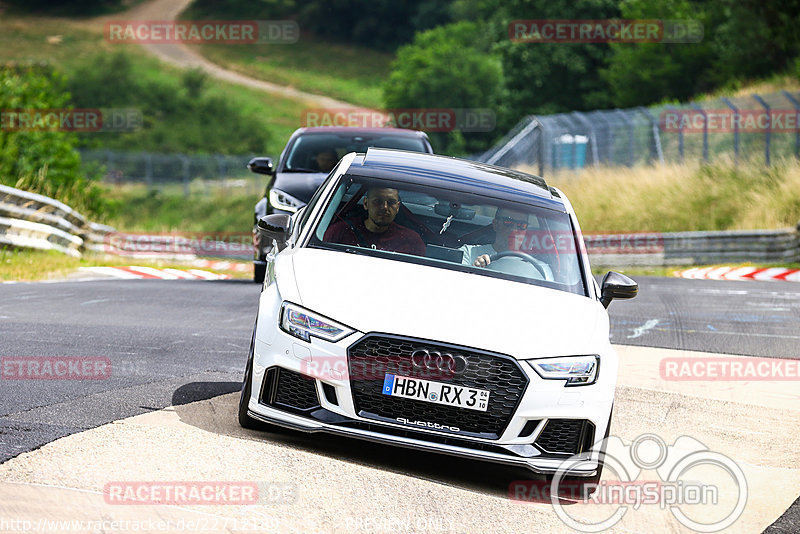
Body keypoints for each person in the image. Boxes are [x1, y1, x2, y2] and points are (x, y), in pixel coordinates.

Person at [323, 187, 426, 256]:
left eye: (391, 202)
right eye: (378, 201)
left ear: (398, 207)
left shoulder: (412, 240)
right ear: (366, 204)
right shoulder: (339, 231)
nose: (385, 207)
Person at [460, 207, 551, 278]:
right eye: (508, 222)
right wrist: (473, 270)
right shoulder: (469, 253)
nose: (514, 229)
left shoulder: (541, 268)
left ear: (526, 229)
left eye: (521, 225)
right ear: (495, 224)